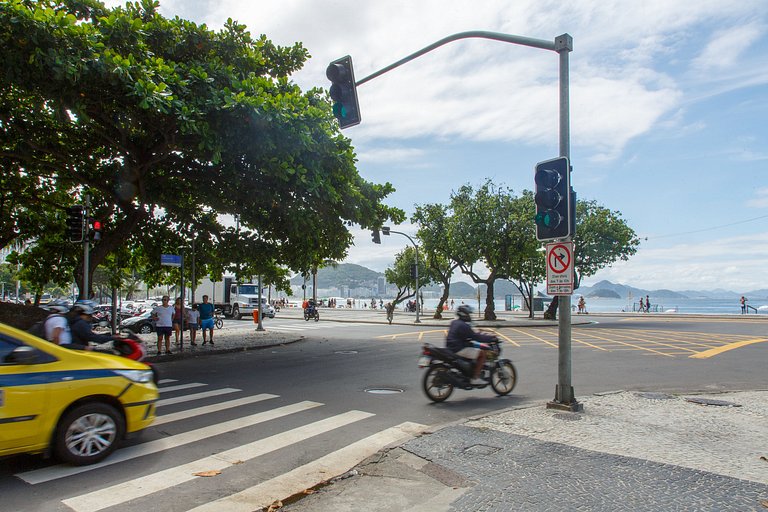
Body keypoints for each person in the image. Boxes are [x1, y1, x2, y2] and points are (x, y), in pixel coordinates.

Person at [445, 305, 497, 386]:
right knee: (482, 354)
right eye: (469, 314)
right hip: (459, 348)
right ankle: (475, 378)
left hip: (451, 347)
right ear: (464, 314)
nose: (470, 316)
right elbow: (476, 337)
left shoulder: (454, 322)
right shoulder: (463, 325)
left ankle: (469, 371)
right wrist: (491, 338)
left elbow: (468, 336)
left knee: (473, 349)